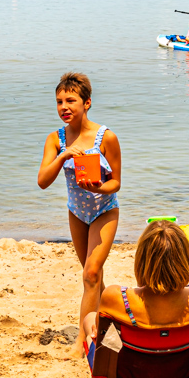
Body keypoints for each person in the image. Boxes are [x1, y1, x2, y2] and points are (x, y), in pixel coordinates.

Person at [37, 72, 122, 358]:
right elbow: (42, 181)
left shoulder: (105, 137)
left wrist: (99, 186)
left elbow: (116, 182)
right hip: (76, 213)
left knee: (91, 273)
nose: (64, 107)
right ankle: (112, 318)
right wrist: (62, 156)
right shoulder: (56, 139)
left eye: (71, 100)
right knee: (93, 278)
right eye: (59, 101)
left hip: (104, 210)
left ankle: (81, 344)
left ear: (87, 103)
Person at [83, 220, 189, 359]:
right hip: (185, 375)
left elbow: (101, 340)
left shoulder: (114, 296)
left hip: (126, 377)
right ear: (185, 260)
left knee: (89, 319)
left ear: (141, 260)